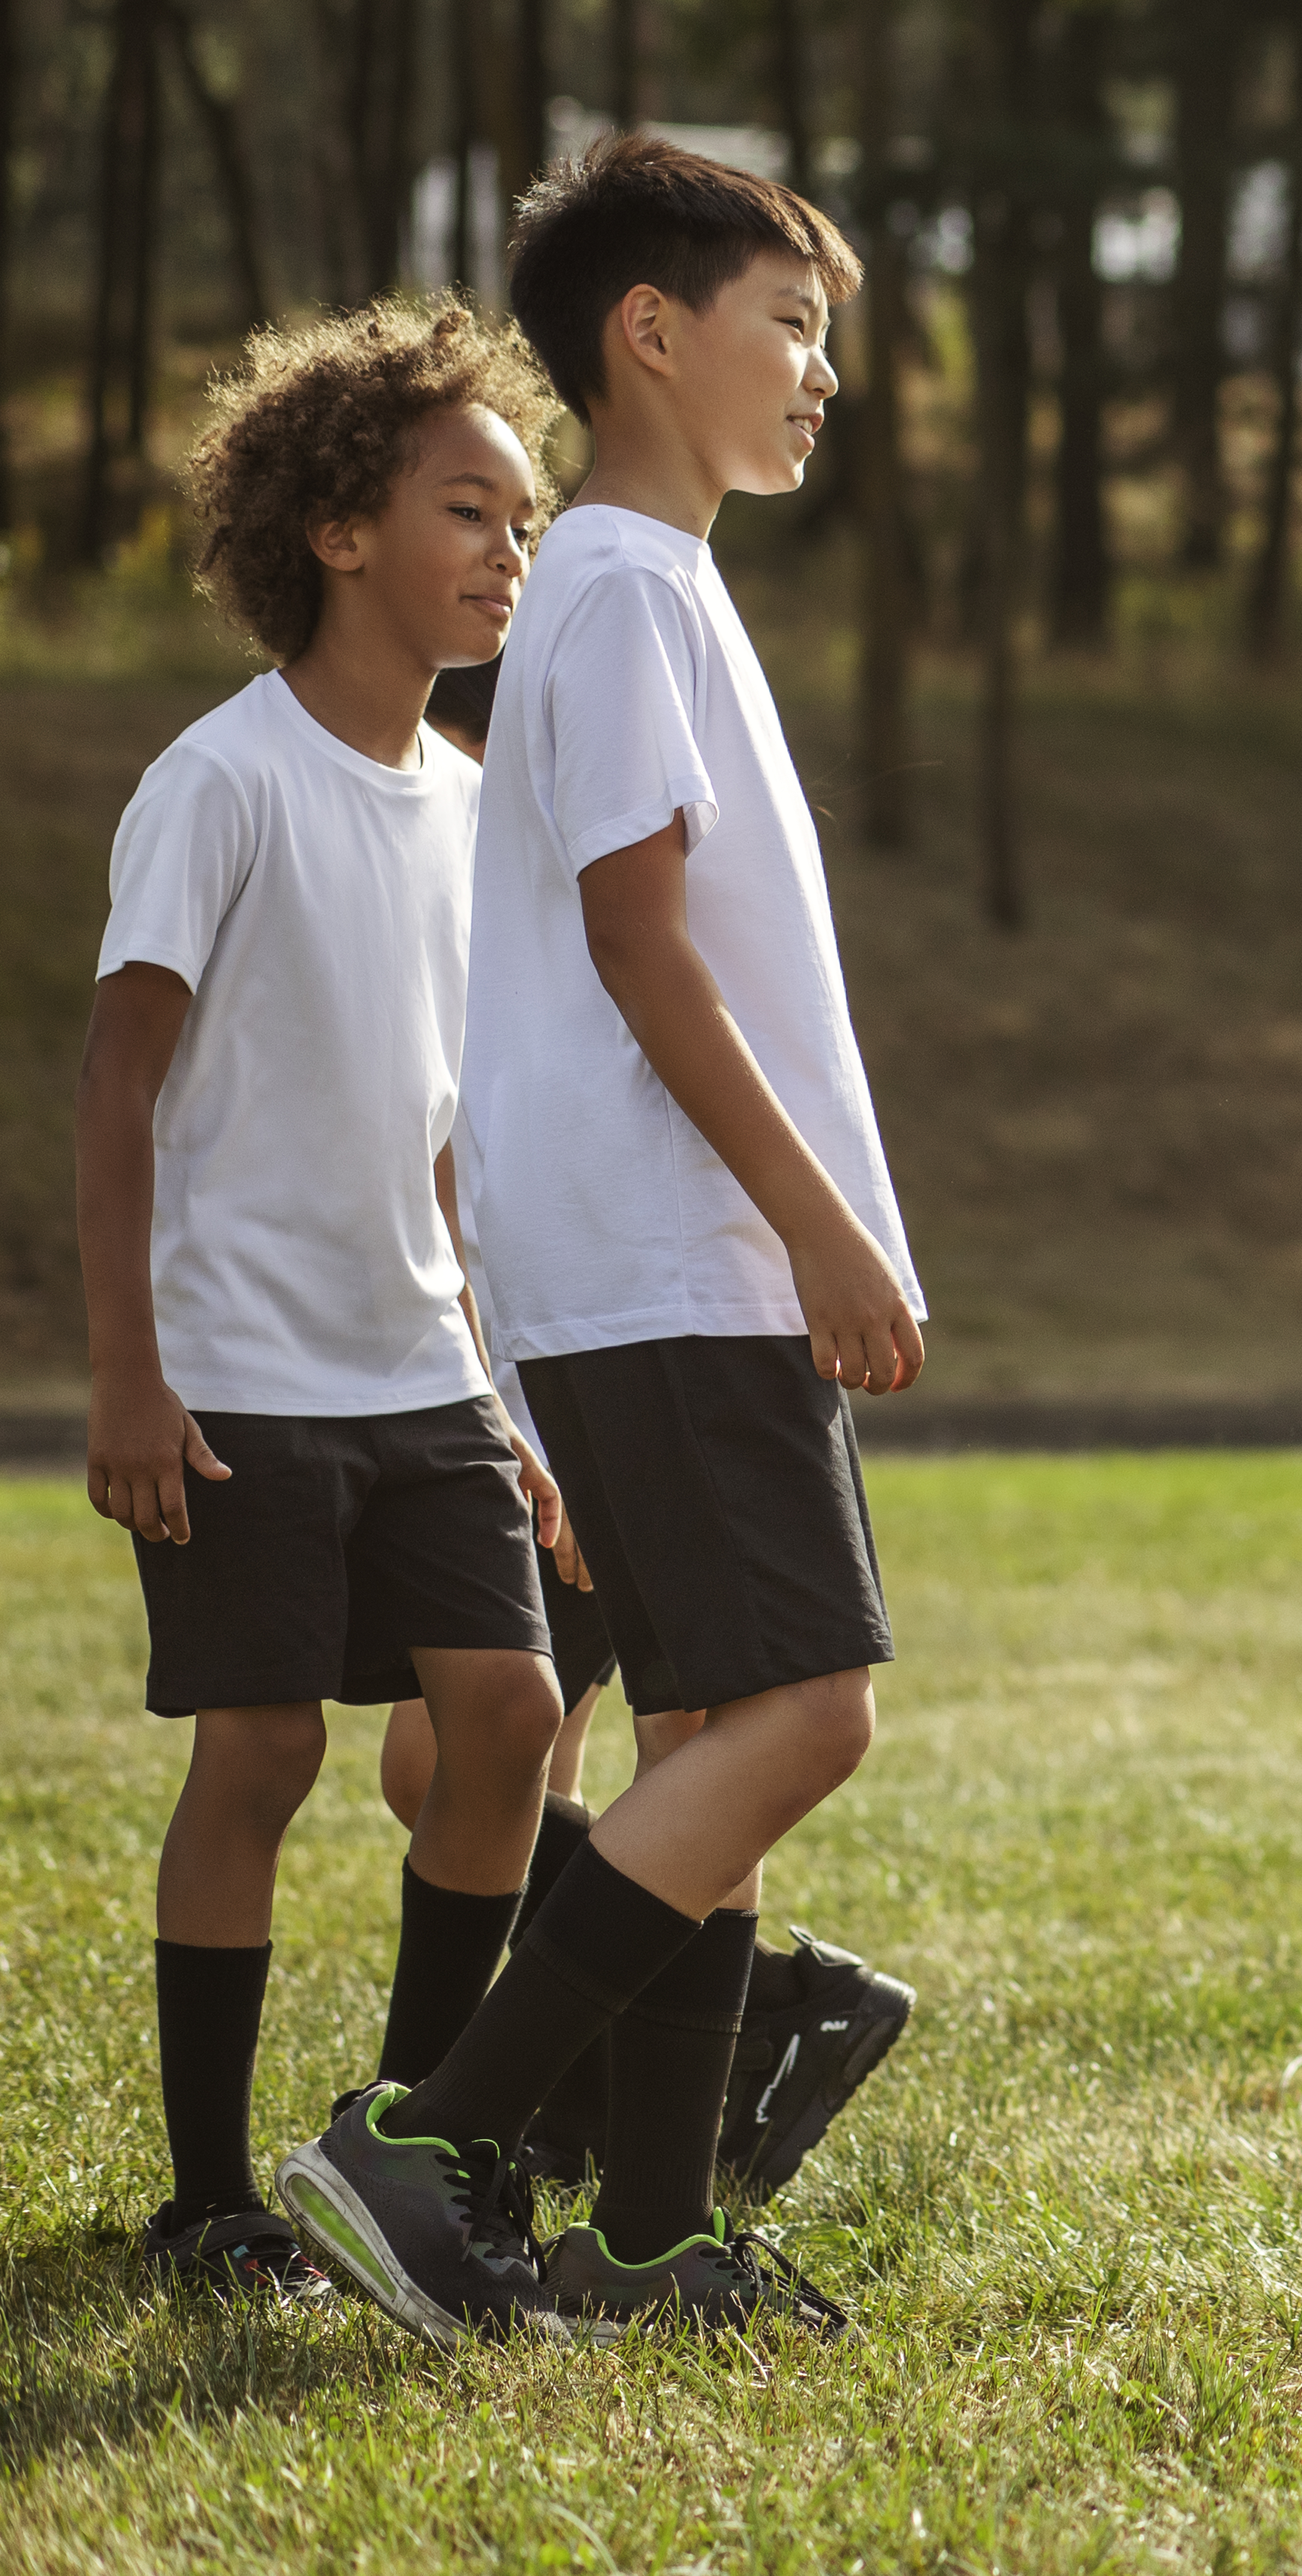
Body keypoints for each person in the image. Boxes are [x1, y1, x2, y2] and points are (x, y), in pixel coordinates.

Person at [280, 132, 923, 2344]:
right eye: (794, 324)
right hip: (679, 1258)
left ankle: (655, 2237)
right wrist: (823, 1231)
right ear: (653, 333)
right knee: (812, 1713)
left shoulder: (629, 588)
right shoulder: (634, 584)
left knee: (717, 1740)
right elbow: (647, 946)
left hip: (634, 1262)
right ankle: (433, 2133)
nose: (825, 372)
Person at [80, 301, 571, 2302]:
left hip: (419, 1363)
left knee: (513, 1713)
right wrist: (127, 1370)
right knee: (265, 1751)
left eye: (526, 525)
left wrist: (509, 1394)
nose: (507, 555)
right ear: (340, 527)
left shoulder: (470, 808)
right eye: (470, 508)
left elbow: (451, 1140)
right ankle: (207, 2199)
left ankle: (405, 2139)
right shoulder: (222, 781)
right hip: (240, 1372)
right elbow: (115, 1080)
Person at [382, 658, 918, 2213]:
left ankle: (531, 2123)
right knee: (490, 1755)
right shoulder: (424, 819)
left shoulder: (533, 801)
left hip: (606, 1360)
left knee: (560, 1746)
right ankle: (616, 2126)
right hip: (547, 1360)